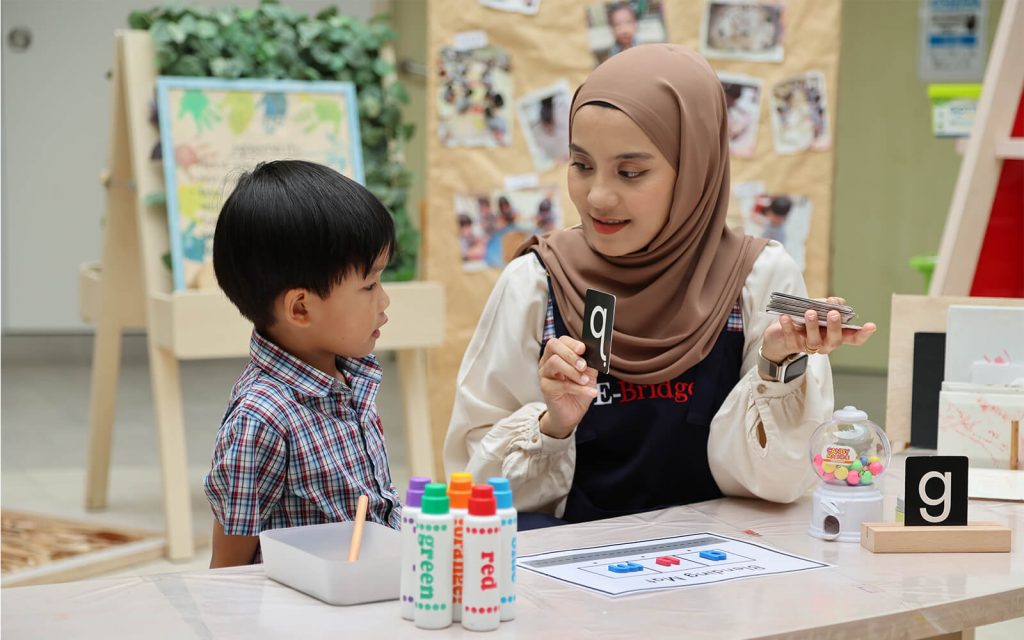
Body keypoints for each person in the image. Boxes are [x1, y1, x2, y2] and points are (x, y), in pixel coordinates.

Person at [443, 44, 876, 529]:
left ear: (694, 170)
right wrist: (553, 425)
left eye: (630, 172)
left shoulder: (756, 279)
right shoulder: (538, 282)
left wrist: (776, 368)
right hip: (569, 558)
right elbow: (475, 488)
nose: (598, 196)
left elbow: (782, 484)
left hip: (724, 557)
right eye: (582, 165)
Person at [205, 160, 402, 566]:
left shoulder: (349, 378)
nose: (384, 300)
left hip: (365, 588)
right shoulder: (263, 419)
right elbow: (226, 567)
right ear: (300, 308)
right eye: (369, 285)